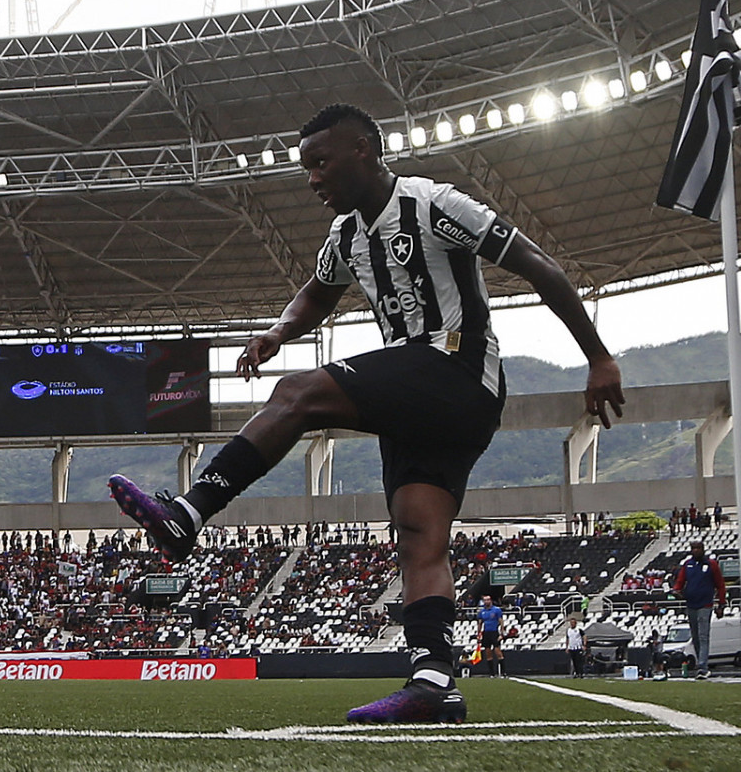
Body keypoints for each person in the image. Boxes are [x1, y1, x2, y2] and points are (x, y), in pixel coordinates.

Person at [107, 103, 624, 724]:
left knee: (297, 395)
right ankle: (435, 682)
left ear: (364, 150)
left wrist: (597, 359)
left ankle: (190, 512)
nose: (312, 179)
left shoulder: (433, 204)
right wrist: (278, 332)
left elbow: (539, 266)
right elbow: (317, 294)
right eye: (306, 168)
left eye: (321, 163)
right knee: (418, 538)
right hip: (425, 404)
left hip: (456, 371)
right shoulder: (346, 235)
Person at [672, 539, 726, 678]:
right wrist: (676, 590)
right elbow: (680, 580)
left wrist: (721, 604)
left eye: (698, 548)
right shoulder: (688, 565)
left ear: (703, 549)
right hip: (691, 604)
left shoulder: (711, 564)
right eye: (693, 548)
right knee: (695, 637)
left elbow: (720, 584)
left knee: (703, 636)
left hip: (705, 604)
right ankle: (700, 662)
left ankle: (703, 666)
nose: (696, 550)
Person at [476, 594, 506, 677]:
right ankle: (491, 673)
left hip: (494, 632)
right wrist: (479, 634)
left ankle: (503, 672)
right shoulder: (482, 612)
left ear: (491, 600)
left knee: (498, 652)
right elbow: (480, 623)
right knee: (488, 653)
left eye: (488, 600)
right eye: (485, 600)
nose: (486, 602)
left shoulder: (496, 610)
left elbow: (501, 621)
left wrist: (502, 633)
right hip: (486, 633)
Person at [564, 614, 587, 678]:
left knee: (579, 661)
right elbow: (568, 638)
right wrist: (567, 647)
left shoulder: (579, 629)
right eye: (571, 623)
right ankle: (576, 673)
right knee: (574, 661)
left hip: (578, 647)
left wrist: (584, 644)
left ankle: (581, 673)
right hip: (571, 648)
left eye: (573, 623)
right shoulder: (568, 630)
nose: (572, 624)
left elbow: (584, 636)